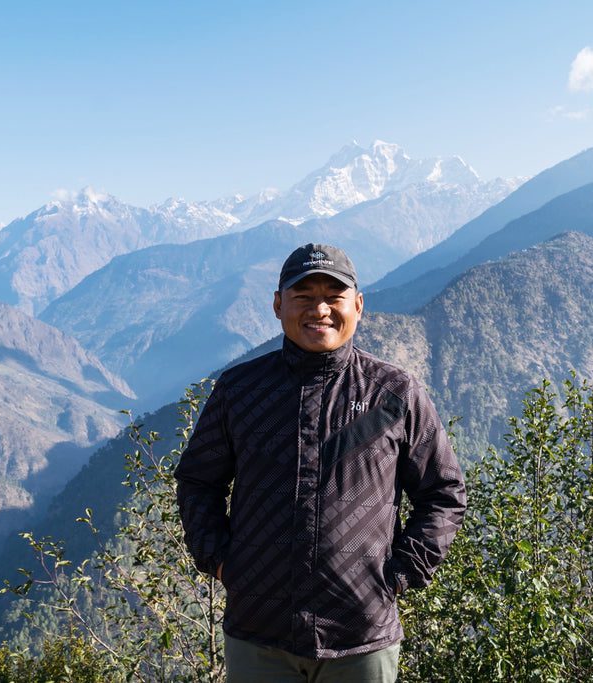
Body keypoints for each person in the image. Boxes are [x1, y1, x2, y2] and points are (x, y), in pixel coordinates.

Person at [174, 242, 467, 683]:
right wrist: (220, 561)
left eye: (334, 296)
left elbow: (444, 493)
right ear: (278, 305)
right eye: (303, 296)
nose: (320, 309)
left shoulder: (394, 394)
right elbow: (198, 481)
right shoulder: (240, 390)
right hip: (259, 636)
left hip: (361, 637)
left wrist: (402, 574)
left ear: (359, 305)